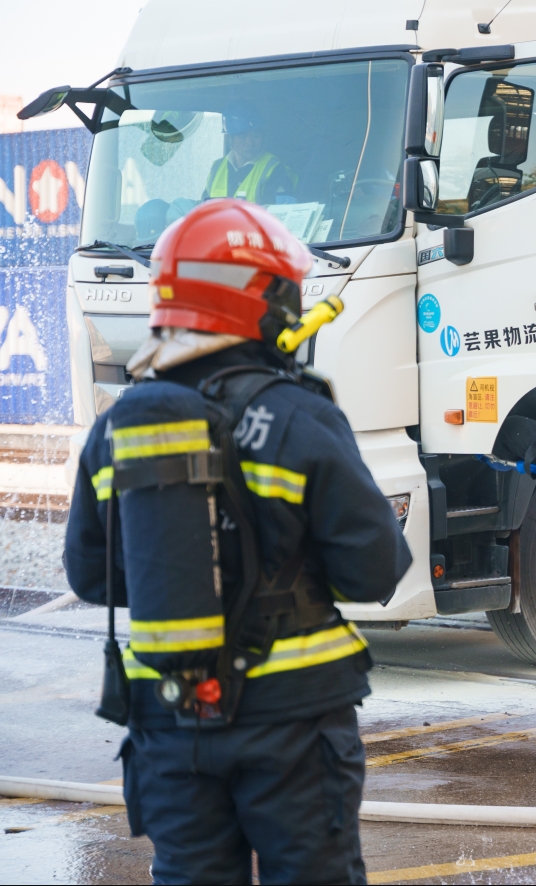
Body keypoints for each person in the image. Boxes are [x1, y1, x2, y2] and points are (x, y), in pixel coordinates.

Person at [64, 198, 411, 884]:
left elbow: (91, 576)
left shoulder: (119, 428)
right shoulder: (298, 416)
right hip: (294, 721)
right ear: (261, 299)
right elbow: (373, 572)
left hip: (171, 718)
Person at [203, 104, 296, 205]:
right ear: (228, 138)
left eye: (255, 136)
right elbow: (204, 207)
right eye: (242, 136)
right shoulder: (217, 167)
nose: (249, 143)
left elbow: (276, 211)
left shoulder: (273, 169)